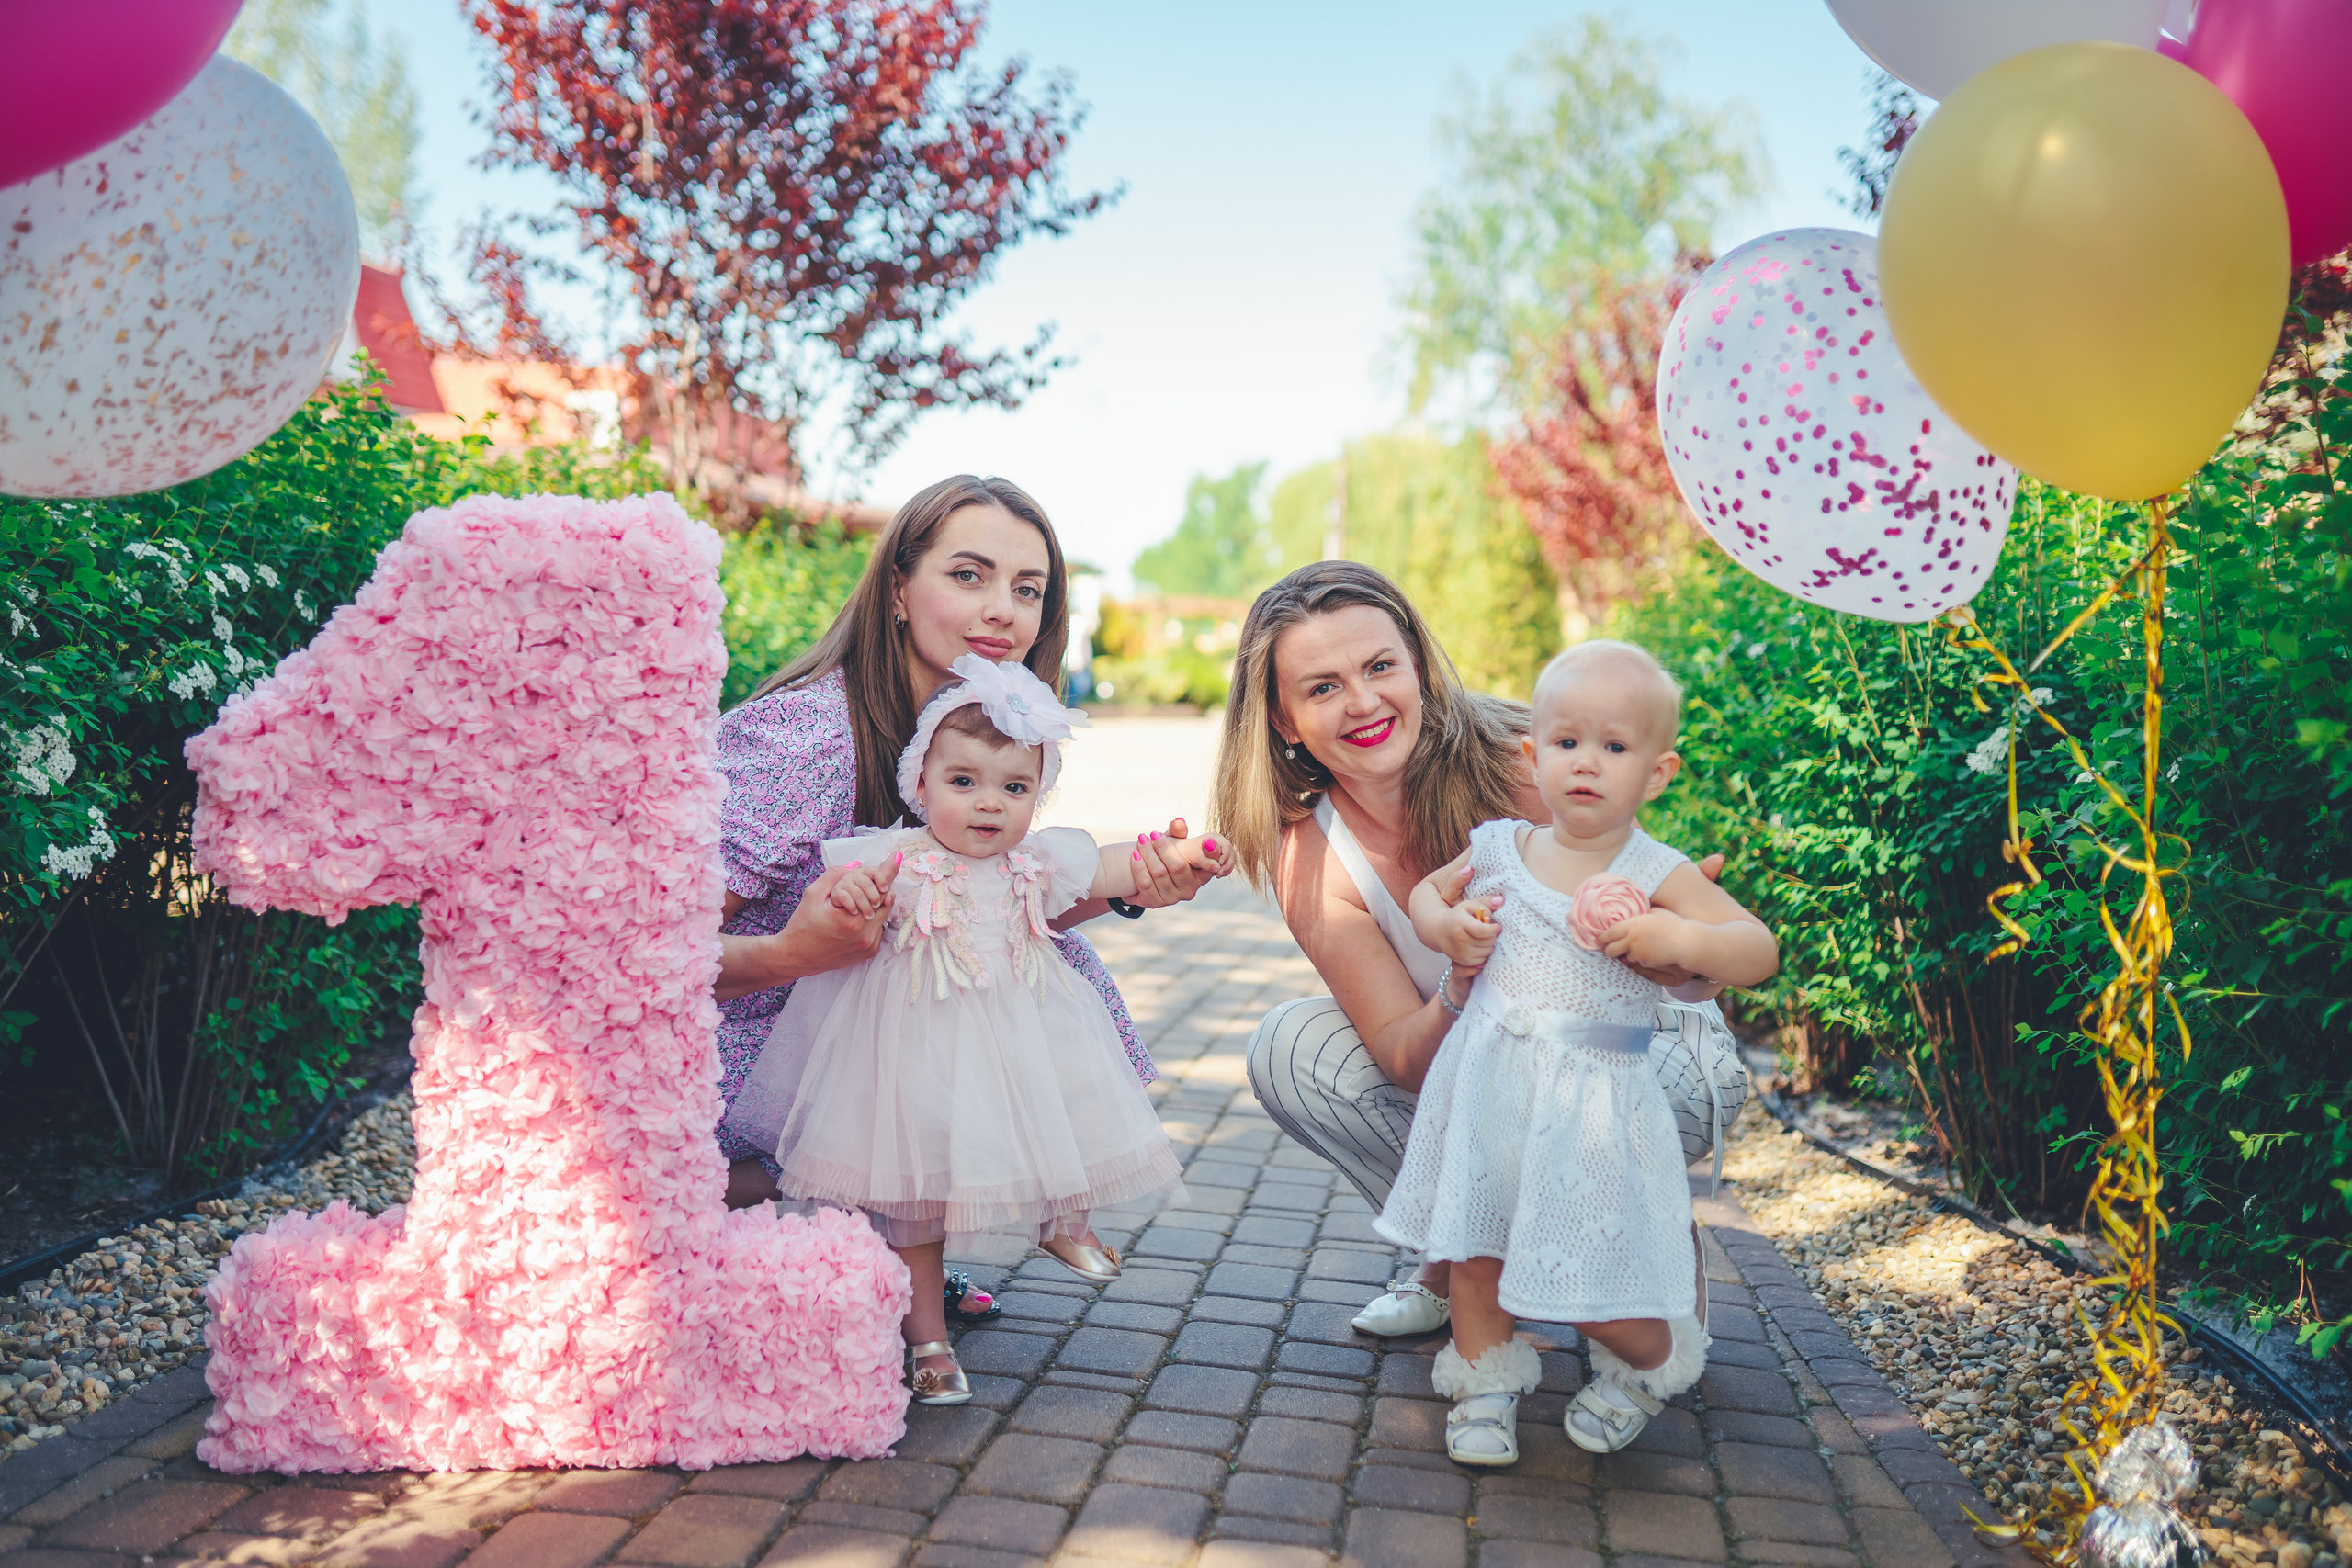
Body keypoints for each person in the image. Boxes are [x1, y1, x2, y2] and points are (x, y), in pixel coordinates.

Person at [710, 476, 1225, 1318]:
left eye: (1028, 589)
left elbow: (995, 902)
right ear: (898, 593)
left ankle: (896, 1249)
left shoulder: (979, 735)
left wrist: (1137, 884)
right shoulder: (807, 739)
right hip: (747, 1058)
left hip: (863, 1029)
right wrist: (795, 954)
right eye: (969, 575)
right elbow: (643, 960)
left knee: (1040, 979)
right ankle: (759, 1218)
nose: (1004, 611)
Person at [1209, 561, 1731, 1339]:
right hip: (1493, 1066)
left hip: (1642, 1060)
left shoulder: (1521, 764)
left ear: (1417, 664)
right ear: (1282, 720)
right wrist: (1459, 976)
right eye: (1321, 688)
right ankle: (1470, 1259)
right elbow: (1401, 1057)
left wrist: (1676, 950)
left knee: (1544, 1081)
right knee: (1290, 1049)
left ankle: (1562, 1255)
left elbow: (1689, 956)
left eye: (1380, 666)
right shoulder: (1311, 855)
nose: (1362, 703)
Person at [728, 657, 1223, 1404]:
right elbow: (842, 891)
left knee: (1069, 1105)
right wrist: (859, 890)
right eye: (964, 783)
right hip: (912, 1051)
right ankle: (928, 1339)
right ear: (919, 786)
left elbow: (1109, 868)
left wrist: (1178, 855)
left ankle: (1063, 1218)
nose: (988, 804)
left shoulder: (1034, 861)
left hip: (1018, 1035)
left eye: (1014, 787)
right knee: (914, 1203)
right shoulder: (899, 857)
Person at [1386, 640, 1779, 1463]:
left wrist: (1680, 934)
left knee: (1590, 1265)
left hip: (1595, 1108)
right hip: (1491, 1086)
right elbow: (1430, 892)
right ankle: (1484, 1386)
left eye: (1614, 747)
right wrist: (1439, 926)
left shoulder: (1654, 868)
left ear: (1657, 773)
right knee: (1476, 1246)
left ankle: (1653, 1357)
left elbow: (1757, 948)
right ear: (1533, 756)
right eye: (1566, 743)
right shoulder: (1499, 846)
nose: (1586, 764)